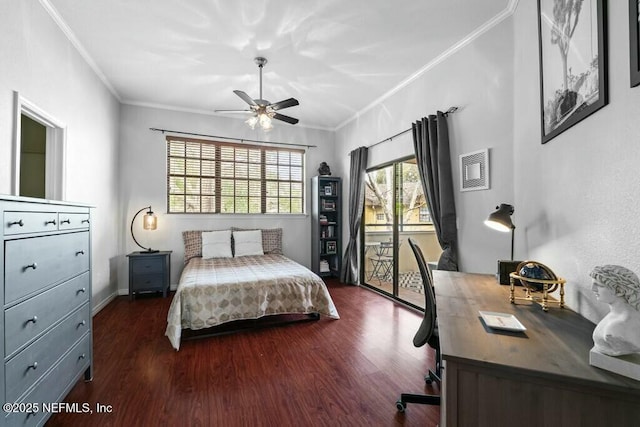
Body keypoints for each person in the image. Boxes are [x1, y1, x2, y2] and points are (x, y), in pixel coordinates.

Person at [589, 265, 640, 356]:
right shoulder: (616, 316)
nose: (593, 289)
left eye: (599, 285)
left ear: (620, 290)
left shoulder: (616, 327)